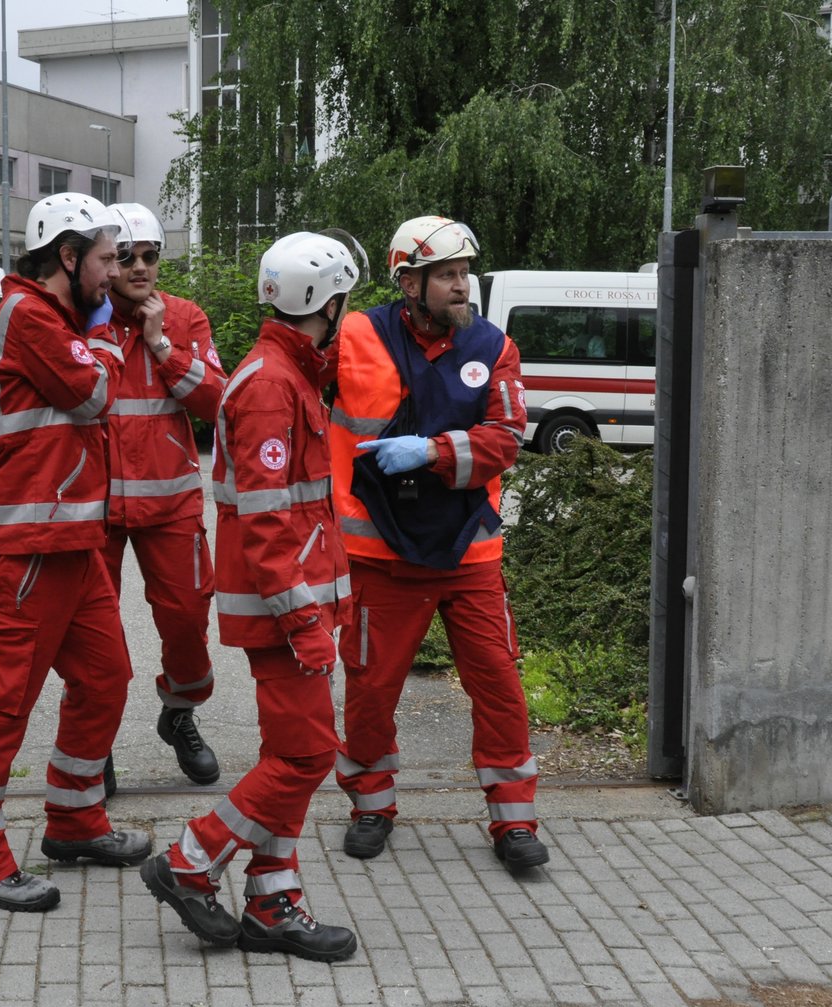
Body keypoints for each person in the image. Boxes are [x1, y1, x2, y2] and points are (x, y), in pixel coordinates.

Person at [141, 231, 359, 963]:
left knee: (292, 753)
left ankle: (273, 900)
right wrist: (305, 617)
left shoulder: (286, 373)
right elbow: (269, 522)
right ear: (326, 303)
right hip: (282, 614)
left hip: (293, 607)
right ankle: (192, 858)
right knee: (306, 755)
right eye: (343, 301)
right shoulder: (271, 384)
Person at [0, 193, 151, 913]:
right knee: (2, 700)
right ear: (67, 257)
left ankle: (72, 819)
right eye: (104, 258)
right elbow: (94, 393)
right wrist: (103, 337)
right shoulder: (30, 314)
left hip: (69, 540)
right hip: (26, 543)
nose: (114, 273)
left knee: (106, 676)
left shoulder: (54, 318)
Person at [328, 215, 549, 874]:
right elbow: (294, 389)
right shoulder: (355, 334)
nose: (462, 285)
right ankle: (371, 804)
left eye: (464, 273)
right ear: (409, 282)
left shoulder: (494, 345)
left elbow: (507, 436)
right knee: (370, 689)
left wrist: (429, 450)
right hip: (381, 554)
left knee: (500, 685)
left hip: (469, 550)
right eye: (447, 275)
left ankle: (514, 821)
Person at [98, 203, 226, 791]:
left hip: (170, 504)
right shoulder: (81, 319)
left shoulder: (184, 317)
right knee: (93, 634)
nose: (142, 267)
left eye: (151, 256)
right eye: (127, 257)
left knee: (186, 620)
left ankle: (179, 713)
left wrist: (161, 347)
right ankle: (90, 740)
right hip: (95, 508)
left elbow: (217, 402)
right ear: (106, 261)